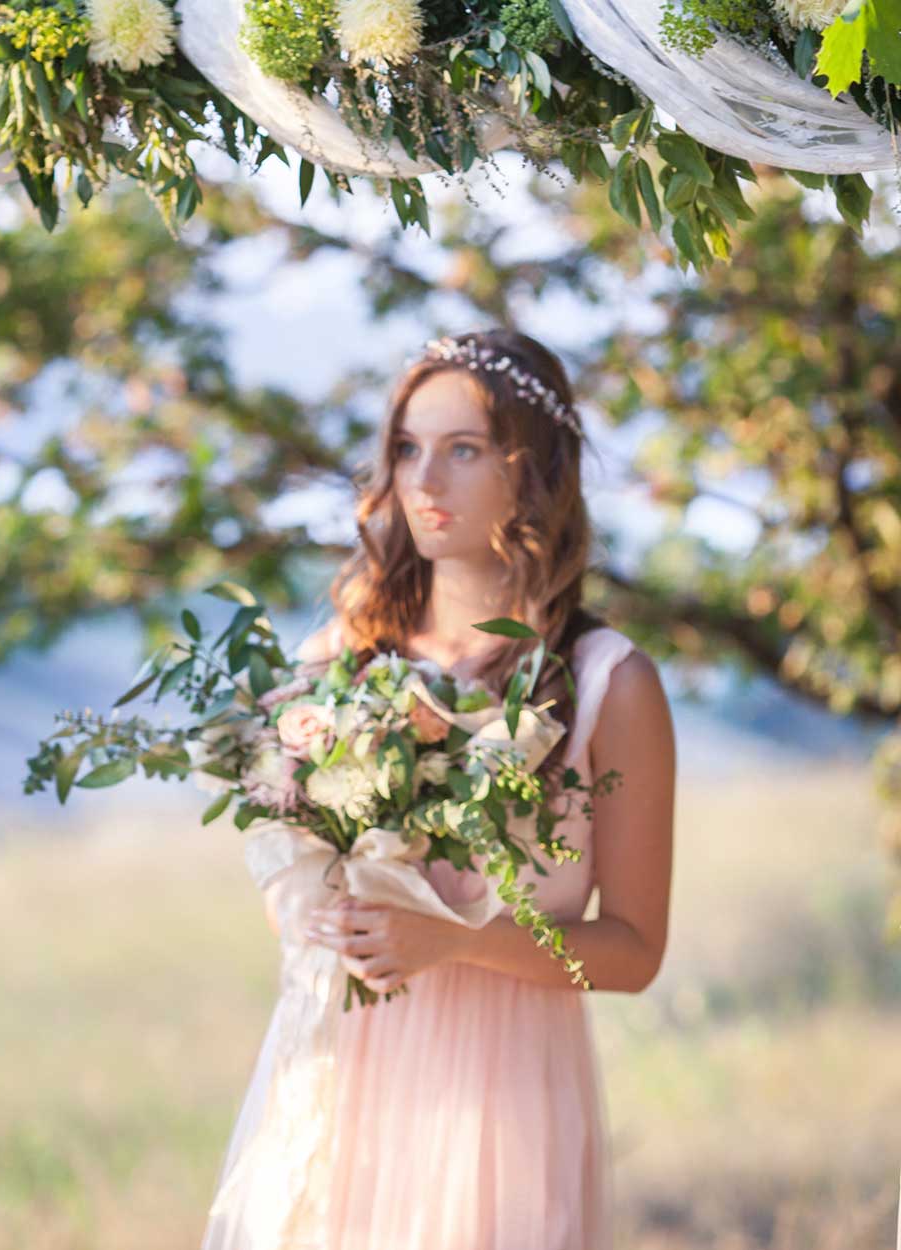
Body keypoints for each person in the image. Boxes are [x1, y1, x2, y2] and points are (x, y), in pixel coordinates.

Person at [204, 329, 676, 1250]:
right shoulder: (341, 661)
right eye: (409, 449)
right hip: (341, 1075)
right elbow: (290, 883)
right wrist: (323, 910)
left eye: (464, 450)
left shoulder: (609, 679)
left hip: (500, 1105)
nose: (425, 481)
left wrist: (455, 941)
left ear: (532, 468)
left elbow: (634, 951)